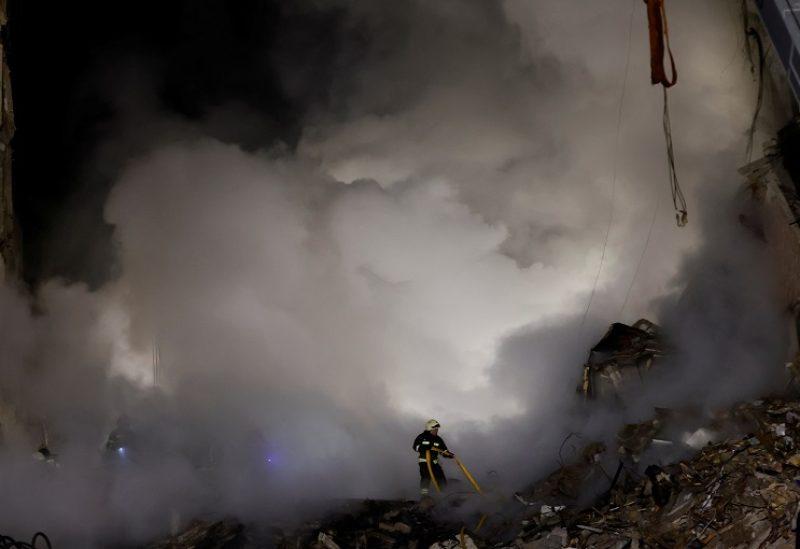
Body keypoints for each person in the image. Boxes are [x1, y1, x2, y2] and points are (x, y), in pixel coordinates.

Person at [412, 419, 454, 496]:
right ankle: (424, 496)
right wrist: (423, 447)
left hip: (434, 462)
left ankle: (445, 495)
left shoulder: (438, 439)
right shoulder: (422, 437)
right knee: (426, 477)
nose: (436, 431)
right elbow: (415, 447)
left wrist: (448, 454)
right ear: (429, 429)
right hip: (424, 462)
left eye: (437, 429)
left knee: (441, 478)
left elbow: (443, 450)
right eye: (435, 429)